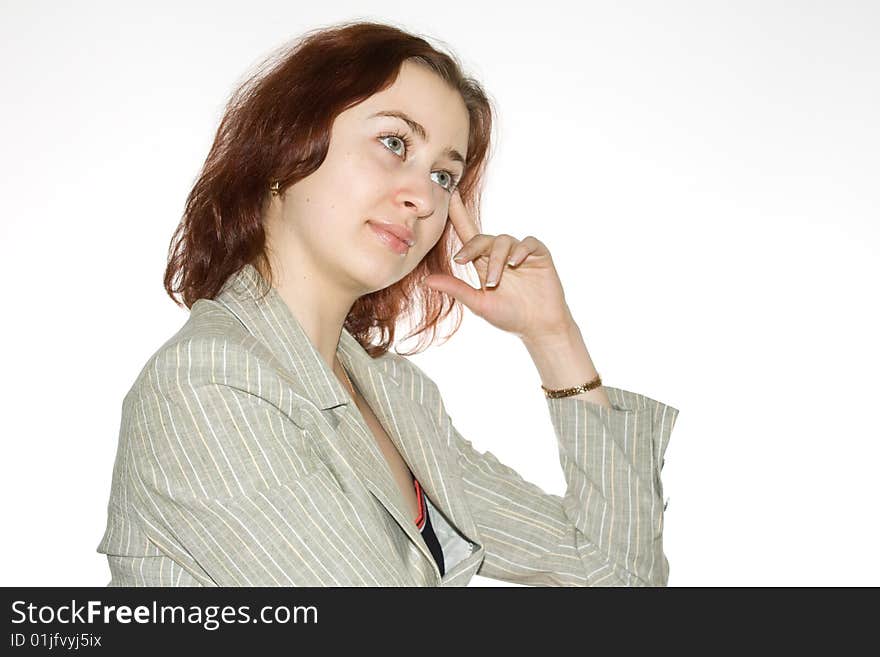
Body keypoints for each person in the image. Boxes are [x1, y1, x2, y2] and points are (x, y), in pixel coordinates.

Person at [97, 20, 679, 587]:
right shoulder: (208, 386)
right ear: (284, 150)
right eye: (394, 143)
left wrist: (554, 338)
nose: (423, 197)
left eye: (445, 176)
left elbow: (617, 576)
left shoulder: (394, 398)